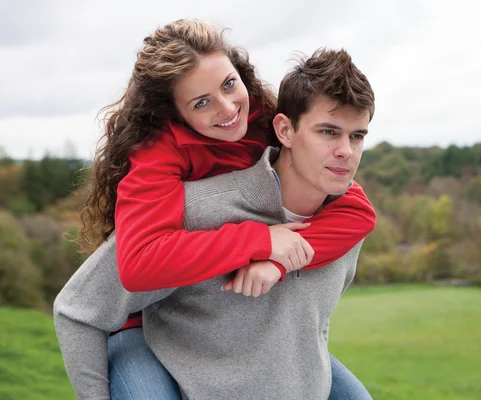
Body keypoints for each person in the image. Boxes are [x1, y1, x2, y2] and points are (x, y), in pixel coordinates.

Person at [70, 19, 374, 399]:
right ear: (176, 113)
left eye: (229, 84)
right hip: (138, 318)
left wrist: (280, 260)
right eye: (201, 102)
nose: (229, 108)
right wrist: (260, 240)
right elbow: (137, 267)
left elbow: (359, 211)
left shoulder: (263, 117)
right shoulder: (156, 158)